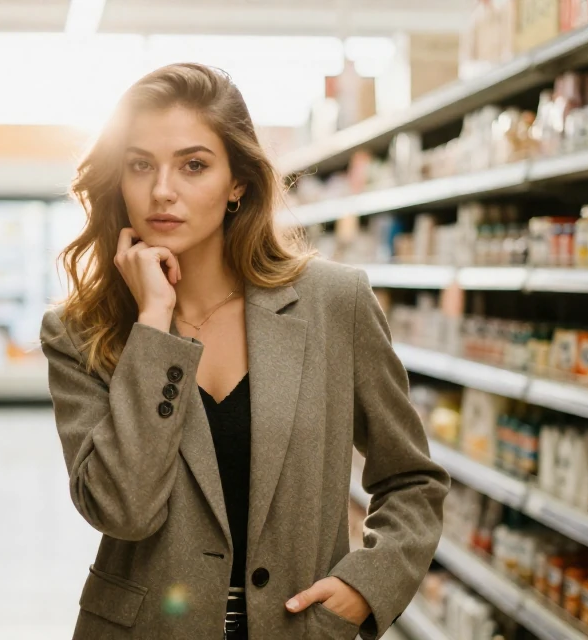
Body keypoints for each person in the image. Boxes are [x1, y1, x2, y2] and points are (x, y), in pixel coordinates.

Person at [40, 62, 449, 640]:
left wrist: (366, 586)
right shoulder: (81, 331)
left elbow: (412, 480)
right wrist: (153, 325)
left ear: (237, 183)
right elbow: (122, 510)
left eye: (193, 165)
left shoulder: (334, 304)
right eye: (141, 165)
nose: (162, 190)